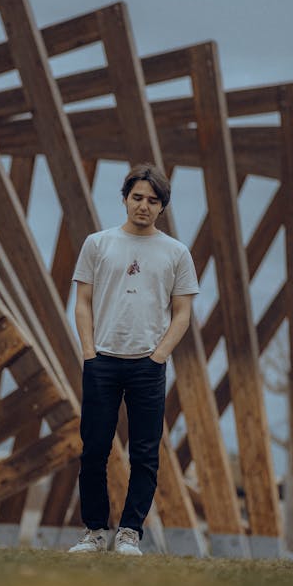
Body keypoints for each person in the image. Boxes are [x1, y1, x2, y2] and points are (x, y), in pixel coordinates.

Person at [68, 164, 199, 556]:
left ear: (162, 206)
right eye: (137, 197)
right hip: (102, 360)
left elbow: (183, 313)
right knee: (94, 449)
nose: (143, 205)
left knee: (145, 452)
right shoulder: (97, 243)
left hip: (148, 364)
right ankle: (94, 531)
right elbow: (82, 302)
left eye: (152, 200)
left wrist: (159, 356)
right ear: (125, 198)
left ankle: (129, 533)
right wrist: (89, 352)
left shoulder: (176, 253)